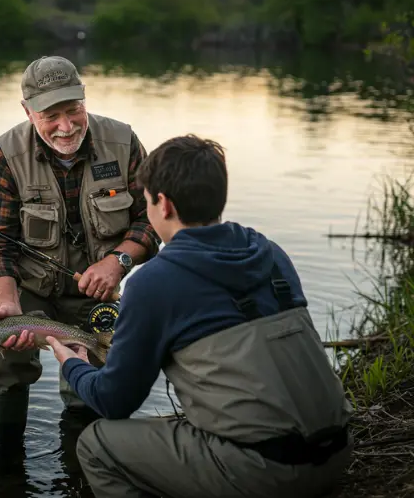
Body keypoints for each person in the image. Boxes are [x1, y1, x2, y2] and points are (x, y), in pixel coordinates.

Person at [46, 134, 354, 498]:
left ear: (164, 204)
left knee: (97, 444)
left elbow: (115, 401)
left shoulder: (153, 283)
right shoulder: (269, 252)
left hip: (266, 473)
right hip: (336, 455)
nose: (147, 212)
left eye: (146, 203)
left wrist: (73, 364)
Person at [0, 55, 160, 447]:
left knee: (95, 374)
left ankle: (83, 458)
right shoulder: (4, 156)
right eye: (50, 115)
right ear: (27, 111)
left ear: (84, 98)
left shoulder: (123, 142)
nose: (66, 126)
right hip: (30, 289)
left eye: (73, 110)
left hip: (98, 292)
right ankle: (6, 463)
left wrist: (118, 260)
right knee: (3, 361)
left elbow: (152, 220)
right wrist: (7, 304)